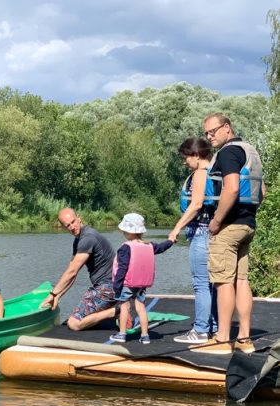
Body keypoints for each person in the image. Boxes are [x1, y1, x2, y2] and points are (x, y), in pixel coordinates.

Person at [193, 113, 265, 355]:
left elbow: (232, 188)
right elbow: (261, 191)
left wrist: (217, 220)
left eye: (213, 131)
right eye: (206, 133)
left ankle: (222, 339)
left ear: (227, 128)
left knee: (223, 281)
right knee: (241, 280)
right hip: (248, 225)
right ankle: (245, 338)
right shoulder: (249, 150)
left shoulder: (228, 153)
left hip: (229, 227)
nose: (209, 136)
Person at [167, 137, 218, 344]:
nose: (185, 162)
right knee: (212, 284)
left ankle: (200, 330)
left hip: (201, 233)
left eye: (186, 157)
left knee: (201, 284)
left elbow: (196, 204)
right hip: (213, 233)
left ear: (197, 155)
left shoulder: (200, 173)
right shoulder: (217, 171)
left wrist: (176, 228)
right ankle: (213, 327)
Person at [39, 208, 116, 331]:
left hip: (108, 287)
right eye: (67, 225)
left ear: (79, 218)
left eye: (73, 222)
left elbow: (72, 271)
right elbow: (72, 272)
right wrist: (59, 295)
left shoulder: (88, 238)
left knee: (74, 323)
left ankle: (115, 311)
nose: (72, 227)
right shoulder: (79, 240)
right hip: (109, 286)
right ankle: (114, 307)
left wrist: (52, 294)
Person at [109, 213, 173, 344]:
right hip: (142, 285)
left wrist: (117, 286)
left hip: (127, 284)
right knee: (141, 308)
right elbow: (161, 247)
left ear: (128, 232)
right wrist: (171, 241)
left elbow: (122, 268)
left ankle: (121, 334)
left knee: (124, 307)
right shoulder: (149, 245)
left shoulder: (126, 248)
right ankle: (145, 336)